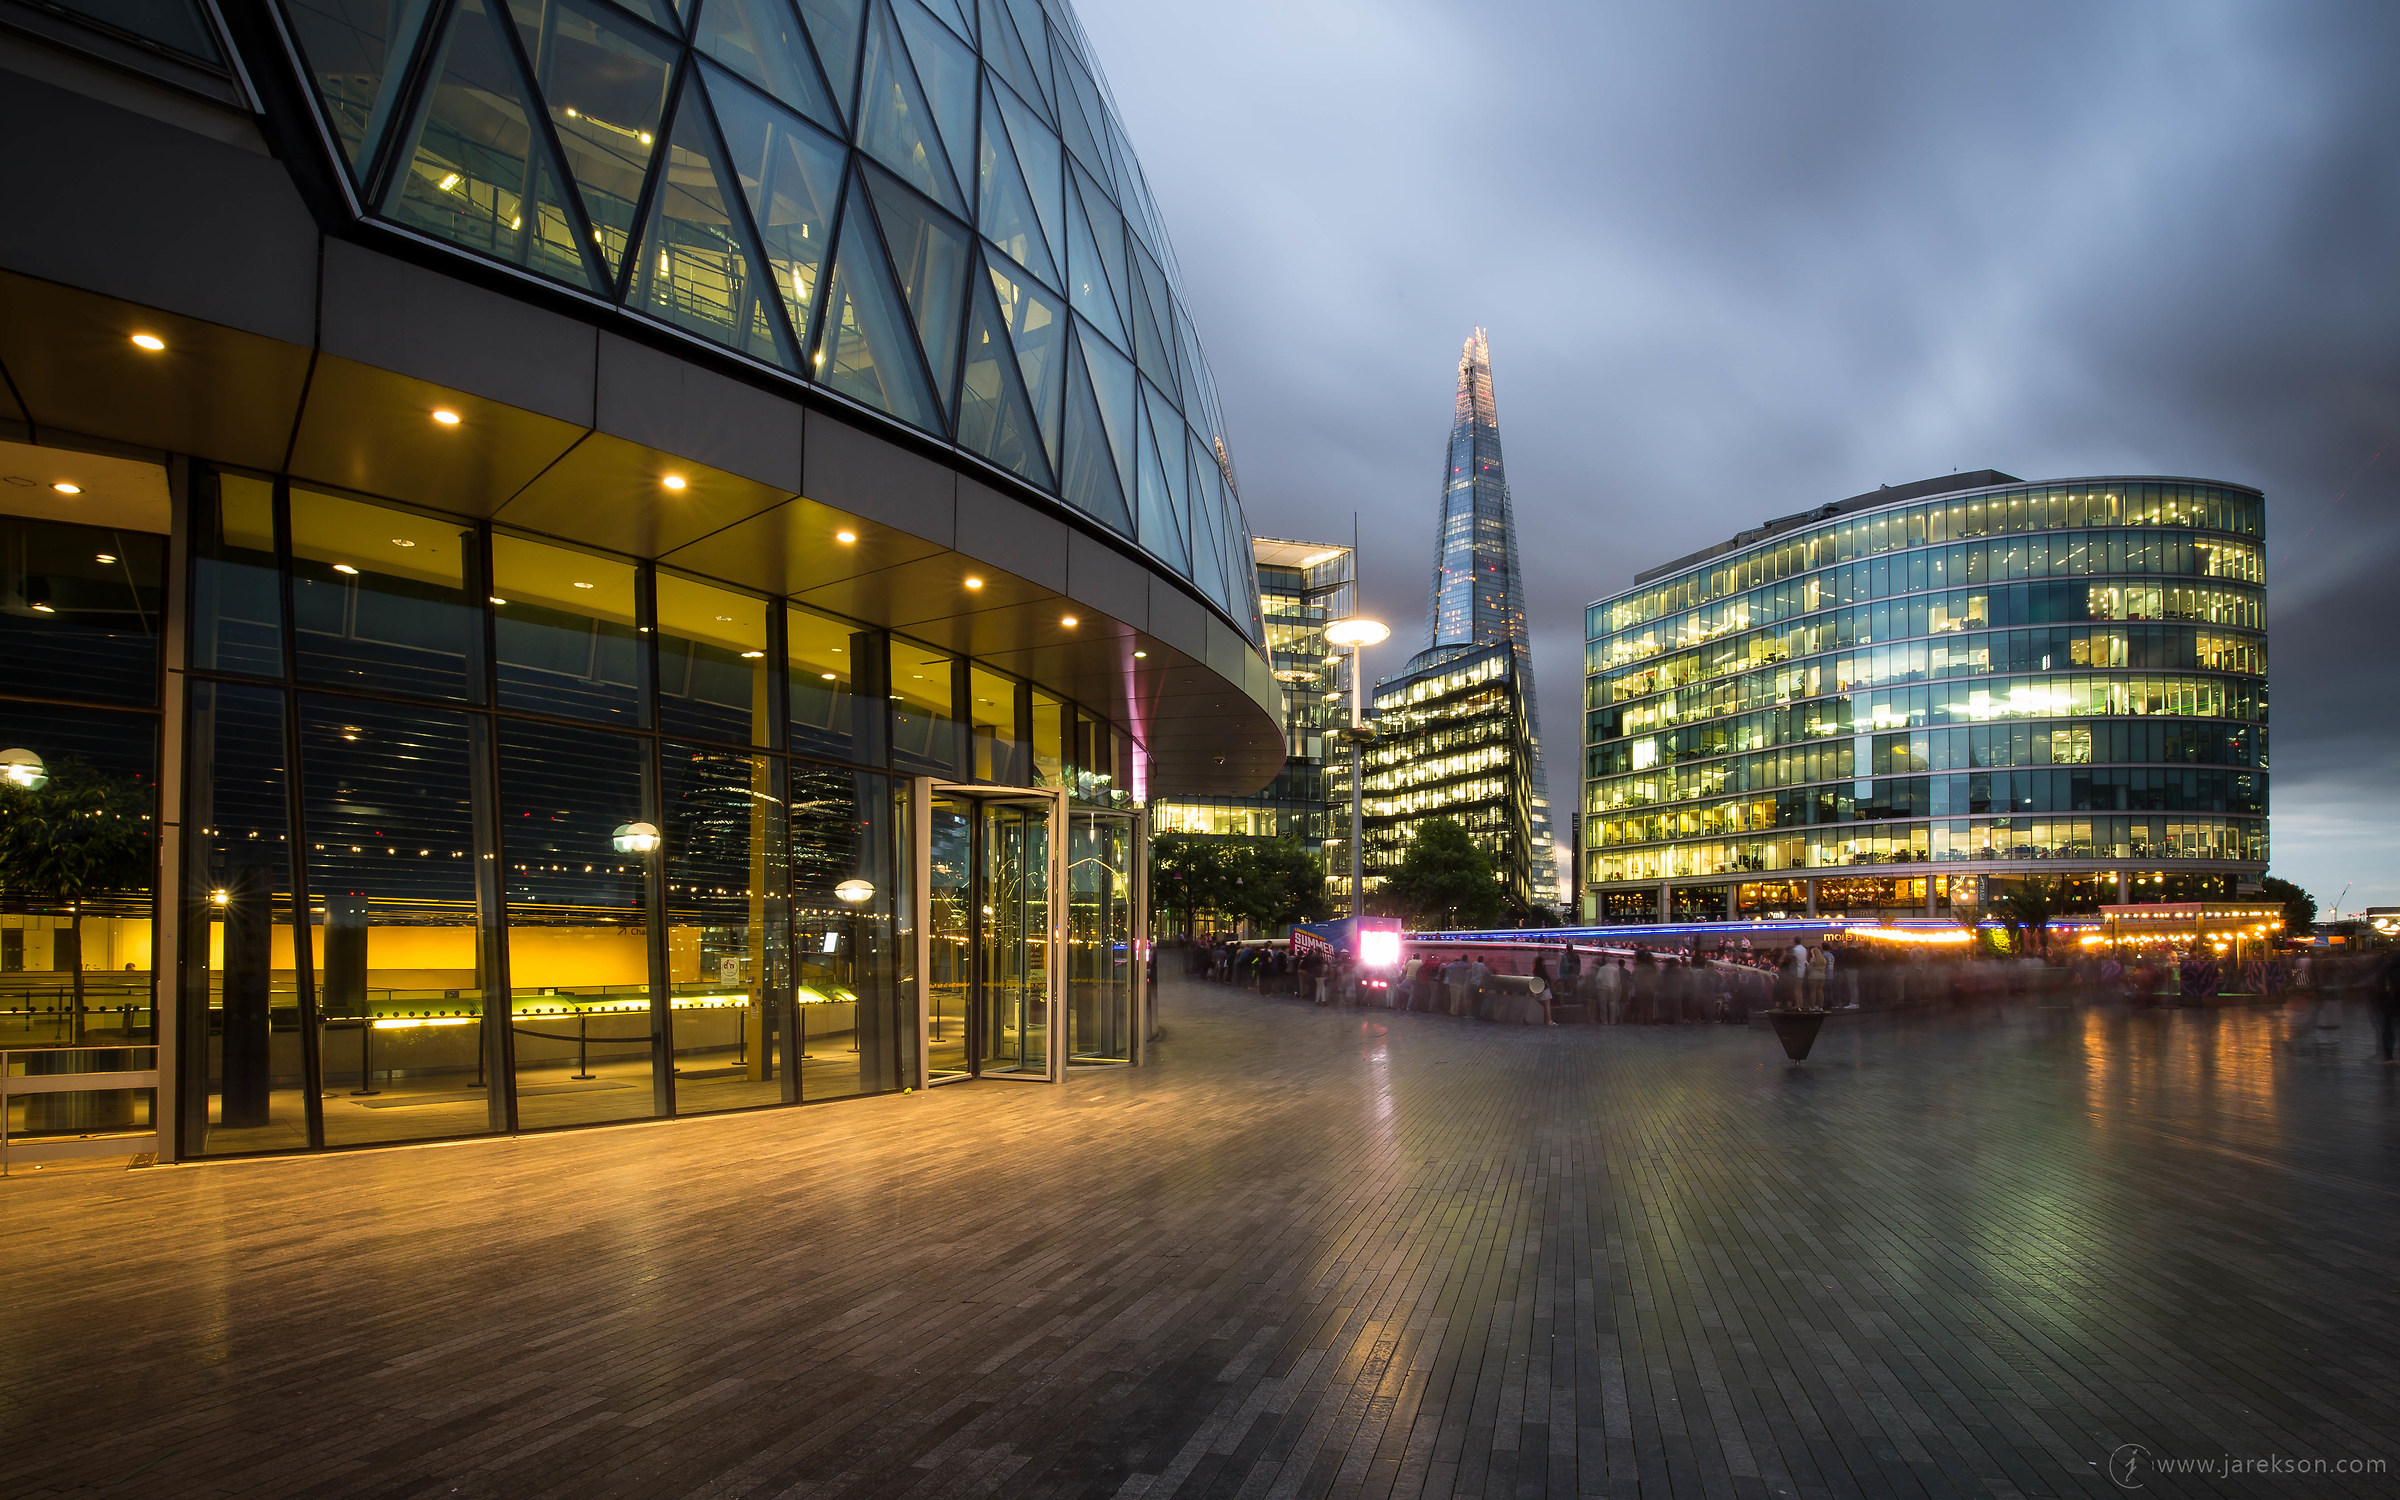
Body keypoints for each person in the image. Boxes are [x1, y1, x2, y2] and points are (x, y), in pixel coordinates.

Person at [2375, 955, 2400, 1065]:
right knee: (2389, 1027)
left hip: (2389, 1003)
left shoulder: (2387, 969)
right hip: (2392, 1002)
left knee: (2388, 1027)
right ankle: (2389, 1054)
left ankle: (2388, 1054)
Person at [1442, 953, 1472, 1017]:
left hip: (1451, 982)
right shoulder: (1466, 966)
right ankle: (1456, 1012)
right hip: (1460, 983)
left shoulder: (1451, 965)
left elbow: (1447, 971)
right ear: (1466, 959)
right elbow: (1469, 973)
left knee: (1453, 997)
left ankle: (1452, 1011)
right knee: (1458, 998)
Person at [1466, 951, 1493, 1021]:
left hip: (1472, 984)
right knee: (1478, 1000)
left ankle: (1470, 1014)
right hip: (1478, 985)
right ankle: (1476, 1014)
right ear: (1483, 960)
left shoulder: (1473, 965)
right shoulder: (1482, 966)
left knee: (1472, 999)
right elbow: (1487, 973)